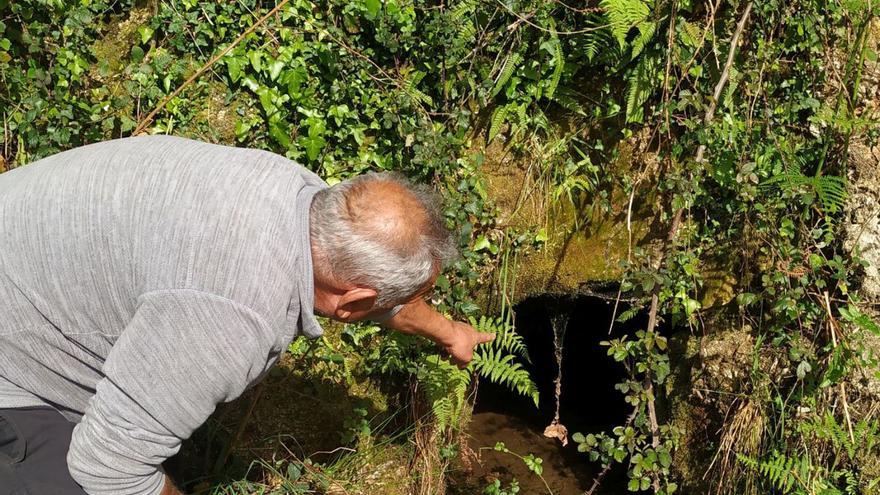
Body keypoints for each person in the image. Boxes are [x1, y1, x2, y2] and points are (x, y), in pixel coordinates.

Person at [0, 136, 494, 495]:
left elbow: (379, 299)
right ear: (354, 301)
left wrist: (450, 332)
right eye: (383, 301)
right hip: (13, 365)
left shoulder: (307, 200)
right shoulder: (232, 317)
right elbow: (107, 468)